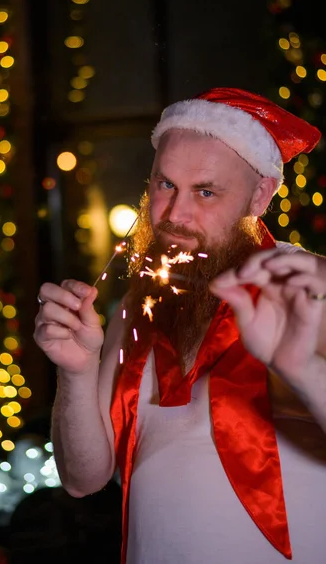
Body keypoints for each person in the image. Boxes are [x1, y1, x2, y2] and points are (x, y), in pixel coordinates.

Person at [34, 88, 326, 564]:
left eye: (205, 192)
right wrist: (77, 371)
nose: (174, 215)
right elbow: (82, 479)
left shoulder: (308, 288)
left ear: (260, 195)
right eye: (165, 185)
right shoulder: (136, 307)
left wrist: (306, 375)